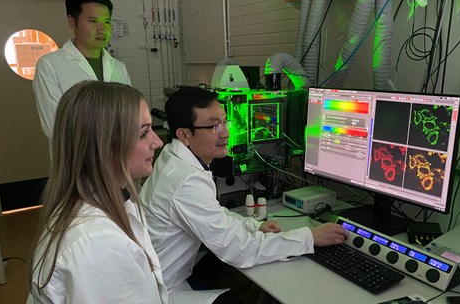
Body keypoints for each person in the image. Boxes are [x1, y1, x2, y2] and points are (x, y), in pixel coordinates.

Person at [140, 86, 348, 303]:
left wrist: (253, 225)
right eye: (213, 126)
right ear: (184, 135)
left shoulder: (173, 156)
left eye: (225, 121)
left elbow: (215, 213)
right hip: (161, 291)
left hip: (164, 271)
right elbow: (239, 251)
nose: (226, 133)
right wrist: (309, 237)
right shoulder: (185, 181)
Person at [29, 81, 167, 303]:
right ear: (105, 146)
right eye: (143, 134)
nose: (157, 142)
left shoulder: (106, 201)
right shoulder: (97, 242)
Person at [33, 0, 131, 143]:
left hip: (117, 158)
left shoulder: (119, 67)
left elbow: (130, 114)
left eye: (106, 22)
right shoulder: (50, 65)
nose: (102, 29)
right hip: (77, 161)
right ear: (72, 22)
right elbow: (54, 125)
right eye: (93, 21)